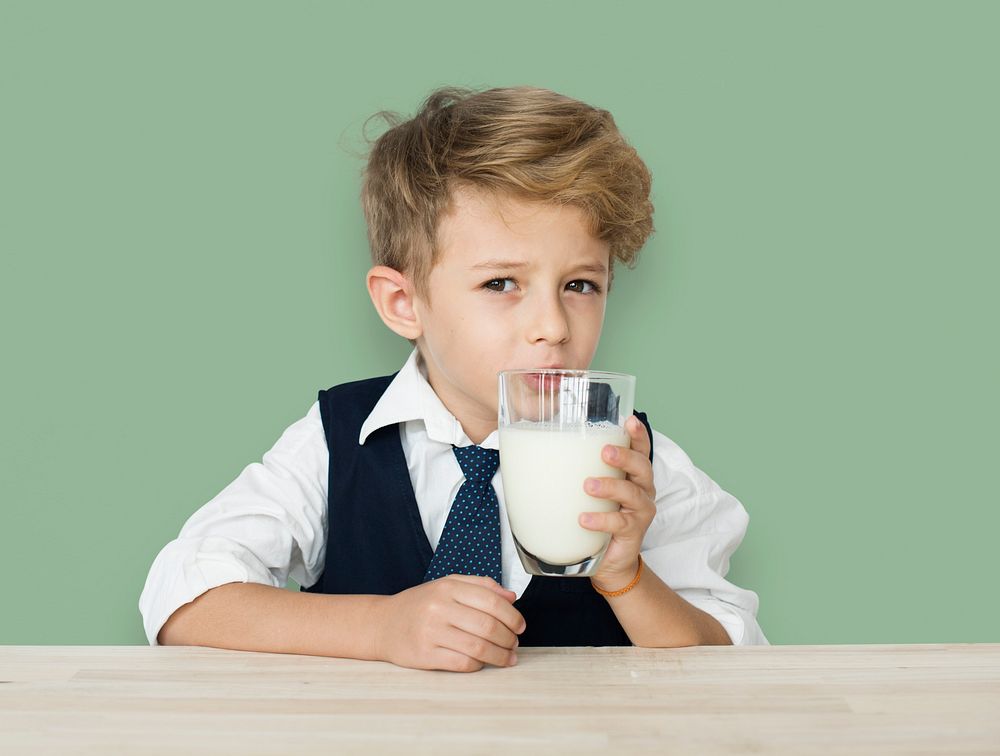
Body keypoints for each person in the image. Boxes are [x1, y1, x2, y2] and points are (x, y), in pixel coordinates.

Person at [139, 85, 768, 672]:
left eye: (581, 284)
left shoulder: (637, 464)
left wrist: (629, 576)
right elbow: (183, 597)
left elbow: (731, 657)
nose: (552, 325)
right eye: (501, 283)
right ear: (402, 303)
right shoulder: (337, 440)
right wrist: (379, 628)